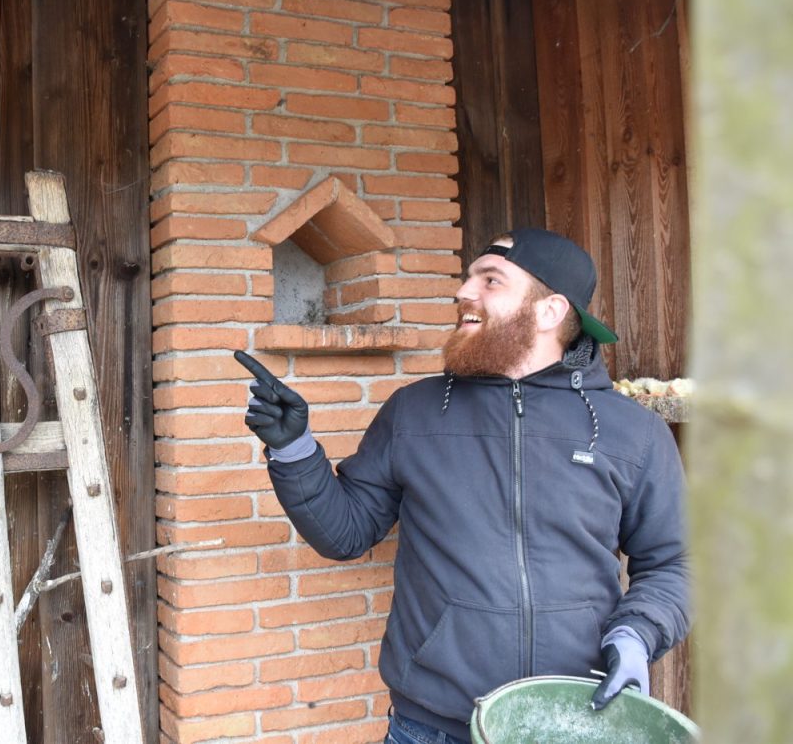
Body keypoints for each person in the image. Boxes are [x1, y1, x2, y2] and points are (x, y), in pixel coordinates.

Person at [236, 228, 690, 744]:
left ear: (550, 311)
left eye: (490, 280)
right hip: (432, 725)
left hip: (575, 719)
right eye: (468, 277)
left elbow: (673, 562)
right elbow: (344, 533)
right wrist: (293, 447)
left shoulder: (631, 431)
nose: (463, 292)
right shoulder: (415, 411)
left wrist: (637, 634)